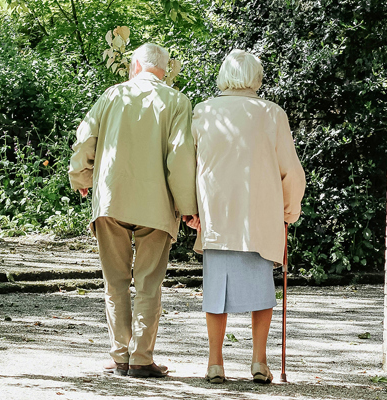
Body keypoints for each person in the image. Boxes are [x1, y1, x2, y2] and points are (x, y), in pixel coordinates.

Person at [68, 43, 199, 378]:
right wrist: (188, 207)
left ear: (135, 65)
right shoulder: (177, 101)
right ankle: (141, 359)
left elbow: (85, 141)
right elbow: (181, 157)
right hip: (156, 204)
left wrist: (81, 176)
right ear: (165, 70)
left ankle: (120, 356)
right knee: (148, 283)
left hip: (112, 200)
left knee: (115, 282)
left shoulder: (111, 95)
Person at [189, 49, 306, 384]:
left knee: (215, 292)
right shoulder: (271, 114)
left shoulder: (204, 111)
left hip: (218, 215)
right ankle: (259, 361)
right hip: (260, 216)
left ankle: (215, 363)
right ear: (257, 77)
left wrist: (190, 209)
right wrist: (289, 208)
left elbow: (189, 166)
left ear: (224, 76)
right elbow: (291, 171)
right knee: (261, 291)